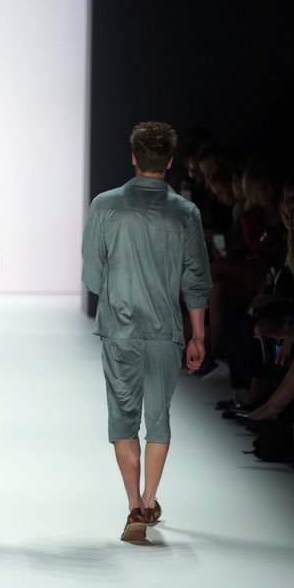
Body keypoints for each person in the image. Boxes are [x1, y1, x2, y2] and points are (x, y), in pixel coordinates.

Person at [82, 121, 212, 544]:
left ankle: (134, 505)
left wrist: (120, 289)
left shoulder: (105, 206)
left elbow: (92, 276)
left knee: (123, 417)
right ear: (170, 162)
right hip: (165, 329)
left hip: (119, 328)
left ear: (134, 157)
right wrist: (198, 335)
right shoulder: (186, 213)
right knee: (158, 417)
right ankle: (150, 499)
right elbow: (196, 280)